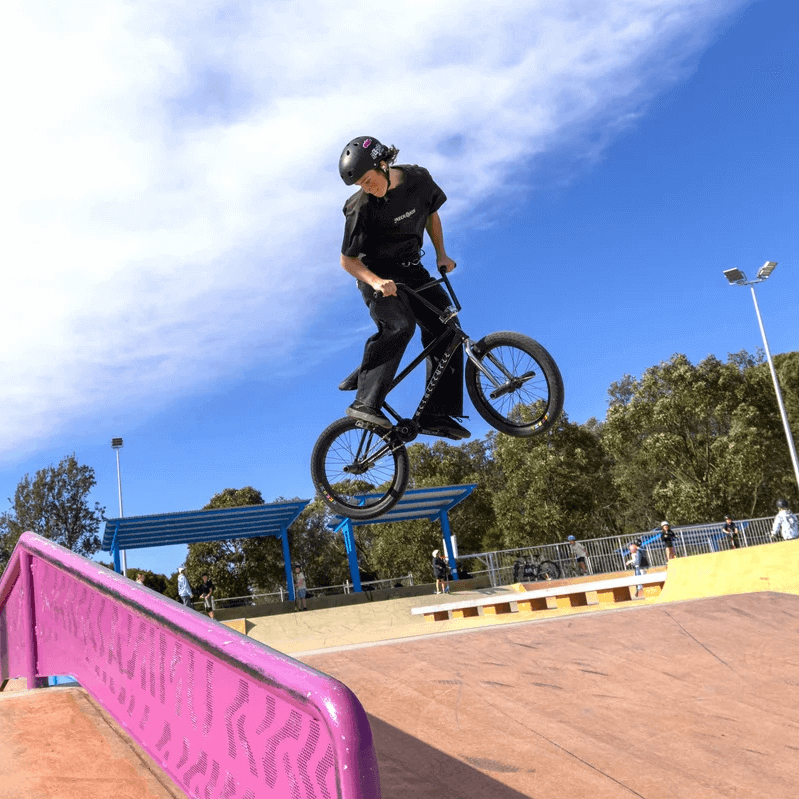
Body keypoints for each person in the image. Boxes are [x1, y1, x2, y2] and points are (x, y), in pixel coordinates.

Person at [336, 135, 469, 441]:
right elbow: (347, 260)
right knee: (400, 324)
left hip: (413, 271)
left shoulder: (418, 179)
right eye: (361, 185)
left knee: (448, 330)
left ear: (383, 165)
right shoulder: (360, 207)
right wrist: (375, 281)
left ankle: (437, 413)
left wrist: (441, 253)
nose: (367, 188)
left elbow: (431, 214)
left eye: (368, 180)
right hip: (376, 275)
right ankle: (365, 403)